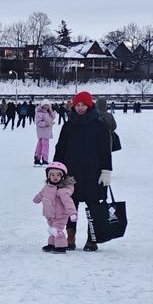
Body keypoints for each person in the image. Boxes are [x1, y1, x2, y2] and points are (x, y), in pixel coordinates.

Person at [53, 91, 113, 251]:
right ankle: (70, 238)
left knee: (93, 206)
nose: (80, 108)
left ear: (89, 105)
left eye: (83, 105)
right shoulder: (68, 125)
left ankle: (92, 238)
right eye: (77, 105)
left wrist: (106, 170)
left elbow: (105, 150)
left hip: (93, 172)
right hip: (70, 173)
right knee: (69, 204)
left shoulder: (99, 125)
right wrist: (56, 169)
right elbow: (60, 148)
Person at [34, 162, 77, 254]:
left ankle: (61, 247)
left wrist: (72, 213)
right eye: (52, 175)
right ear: (48, 176)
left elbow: (68, 202)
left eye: (58, 175)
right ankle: (52, 244)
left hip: (60, 215)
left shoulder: (62, 190)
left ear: (62, 177)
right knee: (52, 230)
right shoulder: (47, 187)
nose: (55, 177)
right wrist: (36, 199)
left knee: (57, 231)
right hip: (49, 214)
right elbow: (41, 194)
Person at [33, 99, 54, 165]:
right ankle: (45, 159)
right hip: (43, 132)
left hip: (46, 132)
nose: (46, 106)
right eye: (45, 105)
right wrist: (47, 124)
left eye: (48, 105)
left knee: (40, 145)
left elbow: (53, 117)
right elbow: (38, 123)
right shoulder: (39, 113)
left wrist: (50, 110)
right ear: (42, 105)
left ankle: (37, 158)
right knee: (45, 146)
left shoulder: (47, 112)